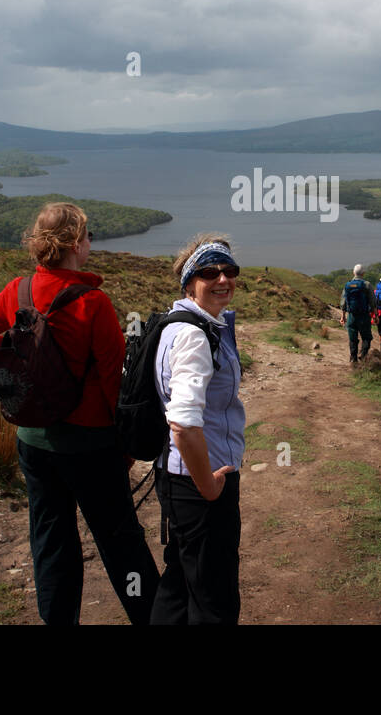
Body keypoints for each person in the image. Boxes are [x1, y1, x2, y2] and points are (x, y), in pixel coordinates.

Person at [0, 202, 158, 625]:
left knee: (51, 544)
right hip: (92, 447)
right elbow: (114, 388)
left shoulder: (19, 290)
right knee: (121, 543)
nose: (90, 244)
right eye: (87, 237)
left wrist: (20, 355)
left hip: (34, 442)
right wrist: (126, 449)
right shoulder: (93, 303)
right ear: (74, 244)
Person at [151, 233, 245, 625]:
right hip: (202, 480)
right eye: (210, 272)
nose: (222, 279)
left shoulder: (180, 324)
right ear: (190, 283)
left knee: (180, 581)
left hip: (177, 476)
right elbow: (184, 423)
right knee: (214, 599)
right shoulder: (193, 335)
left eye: (229, 270)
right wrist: (208, 485)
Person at [341, 264, 374, 364]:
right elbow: (373, 302)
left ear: (353, 273)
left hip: (351, 316)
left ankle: (353, 359)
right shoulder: (367, 285)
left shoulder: (348, 285)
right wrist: (375, 315)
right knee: (367, 337)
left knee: (352, 338)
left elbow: (343, 303)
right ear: (363, 273)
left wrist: (343, 316)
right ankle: (363, 355)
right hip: (364, 316)